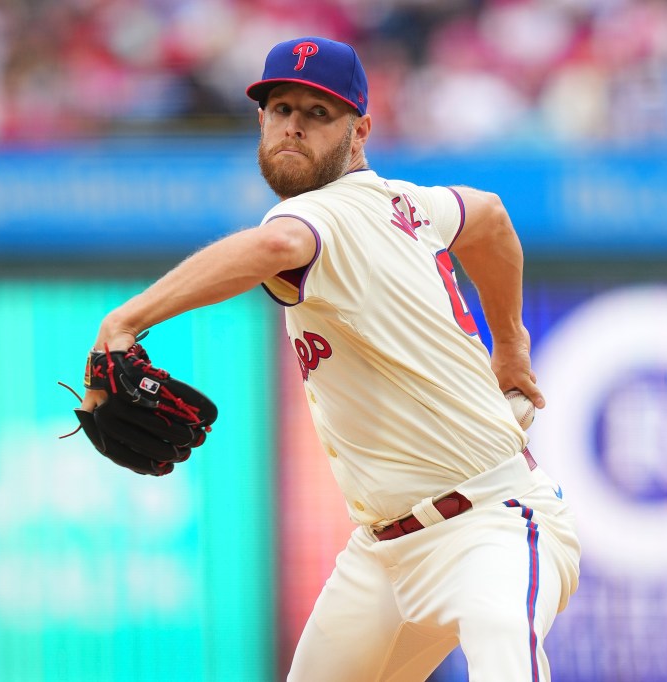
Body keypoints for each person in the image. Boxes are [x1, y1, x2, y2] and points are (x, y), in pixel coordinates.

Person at [81, 36, 580, 680]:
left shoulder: (320, 215)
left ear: (360, 131)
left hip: (493, 527)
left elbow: (276, 245)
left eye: (318, 113)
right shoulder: (408, 203)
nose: (293, 125)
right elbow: (490, 217)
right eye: (281, 108)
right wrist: (510, 344)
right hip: (382, 556)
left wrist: (125, 320)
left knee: (503, 654)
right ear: (260, 119)